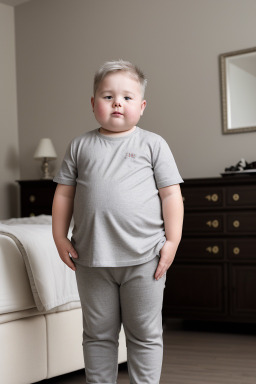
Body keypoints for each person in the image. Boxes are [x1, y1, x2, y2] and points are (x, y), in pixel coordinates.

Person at [52, 60, 184, 384]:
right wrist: (59, 237)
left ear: (141, 106)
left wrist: (172, 241)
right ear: (93, 103)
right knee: (97, 335)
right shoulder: (80, 146)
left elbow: (171, 196)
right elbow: (64, 196)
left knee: (145, 334)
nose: (117, 103)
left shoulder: (153, 144)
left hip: (145, 258)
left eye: (126, 97)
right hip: (92, 259)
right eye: (107, 96)